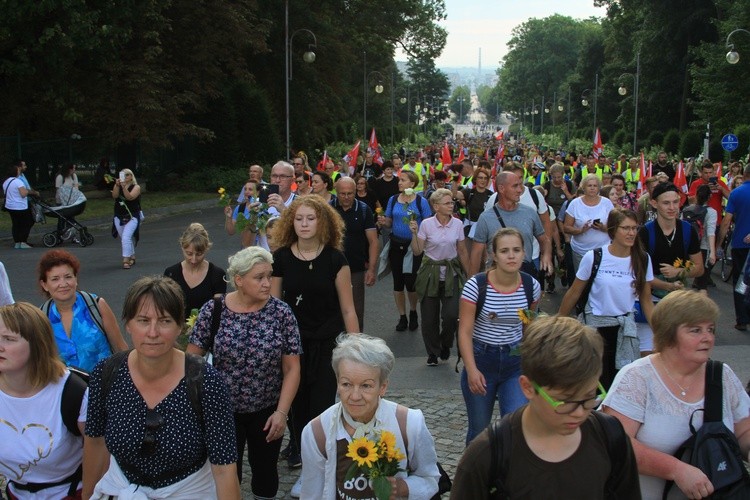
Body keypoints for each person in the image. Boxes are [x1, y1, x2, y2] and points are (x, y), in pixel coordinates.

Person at [83, 276, 240, 499]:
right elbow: (95, 442)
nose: (153, 332)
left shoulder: (207, 381)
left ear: (179, 326)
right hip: (122, 488)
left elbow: (224, 468)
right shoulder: (107, 373)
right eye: (143, 320)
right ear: (128, 324)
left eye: (165, 321)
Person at [451, 315, 641, 499]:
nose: (579, 412)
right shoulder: (487, 456)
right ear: (527, 387)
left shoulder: (610, 437)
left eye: (590, 396)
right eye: (565, 401)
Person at [602, 290, 750, 499]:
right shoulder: (637, 377)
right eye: (695, 330)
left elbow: (744, 430)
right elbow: (616, 444)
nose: (707, 338)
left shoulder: (721, 375)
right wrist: (675, 469)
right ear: (668, 333)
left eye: (711, 329)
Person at [187, 247, 301, 498]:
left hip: (267, 408)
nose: (267, 283)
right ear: (239, 280)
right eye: (259, 277)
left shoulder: (281, 313)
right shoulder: (214, 309)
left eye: (269, 276)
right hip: (222, 411)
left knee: (266, 472)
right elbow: (191, 362)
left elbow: (292, 368)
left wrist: (281, 413)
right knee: (227, 474)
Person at [270, 196, 359, 479]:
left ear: (322, 222)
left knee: (321, 402)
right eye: (298, 219)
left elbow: (348, 308)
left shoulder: (335, 259)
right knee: (295, 401)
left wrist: (356, 348)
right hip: (292, 344)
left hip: (327, 341)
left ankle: (319, 454)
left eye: (310, 218)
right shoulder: (281, 258)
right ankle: (297, 445)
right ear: (290, 223)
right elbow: (275, 306)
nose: (304, 224)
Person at [299, 334, 440, 499]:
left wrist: (403, 487)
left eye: (366, 385)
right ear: (337, 382)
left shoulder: (410, 424)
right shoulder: (316, 432)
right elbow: (311, 494)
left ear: (383, 387)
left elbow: (431, 479)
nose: (355, 396)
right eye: (346, 384)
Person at [459, 228, 542, 445]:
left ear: (525, 253)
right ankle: (476, 476)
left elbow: (528, 328)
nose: (511, 256)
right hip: (481, 359)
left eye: (516, 250)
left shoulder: (530, 286)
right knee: (478, 429)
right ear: (493, 255)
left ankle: (508, 475)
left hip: (514, 363)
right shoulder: (476, 286)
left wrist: (532, 367)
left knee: (515, 426)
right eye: (504, 251)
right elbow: (465, 332)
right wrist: (471, 370)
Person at [558, 209, 655, 389]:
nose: (631, 233)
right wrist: (558, 324)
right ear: (612, 230)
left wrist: (661, 331)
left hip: (624, 330)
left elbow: (646, 300)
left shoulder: (642, 259)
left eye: (634, 228)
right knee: (594, 384)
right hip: (596, 329)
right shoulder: (594, 257)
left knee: (621, 385)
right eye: (625, 228)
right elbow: (574, 292)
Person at [0, 302, 88, 499]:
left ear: (37, 344)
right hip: (16, 493)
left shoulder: (73, 393)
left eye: (8, 339)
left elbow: (100, 454)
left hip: (71, 493)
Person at [37, 249, 128, 373]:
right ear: (45, 285)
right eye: (55, 279)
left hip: (104, 385)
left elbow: (120, 348)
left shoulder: (96, 305)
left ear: (76, 279)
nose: (63, 284)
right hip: (65, 389)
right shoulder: (41, 317)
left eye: (68, 277)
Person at [412, 188, 469, 366]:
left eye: (452, 202)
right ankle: (433, 352)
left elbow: (462, 251)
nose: (451, 205)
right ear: (436, 206)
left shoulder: (458, 224)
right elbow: (417, 251)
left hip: (452, 273)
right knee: (429, 318)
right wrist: (413, 233)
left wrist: (471, 277)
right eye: (447, 203)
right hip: (430, 273)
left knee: (452, 315)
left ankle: (445, 344)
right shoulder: (426, 224)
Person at [377, 170, 433, 332]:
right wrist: (383, 221)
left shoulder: (421, 201)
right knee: (398, 282)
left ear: (412, 184)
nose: (399, 182)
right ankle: (402, 316)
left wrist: (418, 232)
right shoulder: (393, 199)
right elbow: (389, 222)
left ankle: (413, 311)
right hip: (396, 244)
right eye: (399, 180)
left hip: (413, 246)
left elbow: (428, 223)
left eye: (403, 180)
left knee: (411, 282)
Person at [469, 171, 552, 277]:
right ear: (502, 188)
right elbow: (476, 254)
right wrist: (472, 285)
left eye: (520, 185)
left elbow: (545, 241)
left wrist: (546, 256)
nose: (520, 190)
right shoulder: (486, 218)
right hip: (496, 278)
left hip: (524, 275)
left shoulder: (529, 213)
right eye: (515, 186)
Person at [332, 177, 378, 332]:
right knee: (333, 310)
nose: (346, 197)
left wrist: (371, 269)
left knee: (356, 311)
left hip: (355, 269)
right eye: (342, 193)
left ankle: (356, 347)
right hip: (331, 268)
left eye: (350, 194)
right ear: (336, 192)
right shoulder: (328, 209)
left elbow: (373, 241)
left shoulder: (364, 210)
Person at [164, 223, 227, 312]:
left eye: (199, 254)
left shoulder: (217, 274)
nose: (193, 260)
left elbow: (218, 310)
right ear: (182, 247)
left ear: (206, 249)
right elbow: (165, 307)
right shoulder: (171, 273)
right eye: (189, 254)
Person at [718, 162, 750, 331]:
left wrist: (719, 244)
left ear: (744, 175)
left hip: (740, 244)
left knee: (740, 282)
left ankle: (742, 319)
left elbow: (726, 221)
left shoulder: (736, 193)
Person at [563, 173, 615, 271]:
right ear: (583, 187)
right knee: (583, 281)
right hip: (581, 251)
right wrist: (581, 230)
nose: (592, 188)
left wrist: (602, 227)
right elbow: (566, 227)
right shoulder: (575, 204)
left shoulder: (607, 203)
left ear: (599, 187)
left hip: (603, 250)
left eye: (595, 186)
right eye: (589, 185)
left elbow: (614, 226)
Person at [685, 185, 717, 293]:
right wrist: (712, 252)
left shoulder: (687, 210)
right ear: (710, 197)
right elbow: (710, 233)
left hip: (688, 247)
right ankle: (702, 305)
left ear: (696, 195)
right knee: (703, 283)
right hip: (704, 248)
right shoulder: (711, 212)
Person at [111, 168, 142, 269]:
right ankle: (132, 256)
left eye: (127, 175)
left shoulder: (136, 187)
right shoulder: (118, 186)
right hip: (119, 215)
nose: (125, 177)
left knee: (126, 237)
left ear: (131, 176)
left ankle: (126, 260)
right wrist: (116, 185)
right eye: (123, 175)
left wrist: (124, 188)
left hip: (132, 215)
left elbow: (130, 197)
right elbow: (114, 196)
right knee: (124, 238)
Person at [3, 162, 35, 249]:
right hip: (20, 206)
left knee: (16, 224)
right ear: (15, 172)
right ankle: (23, 241)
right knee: (26, 223)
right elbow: (23, 194)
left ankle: (17, 242)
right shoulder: (18, 182)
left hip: (10, 206)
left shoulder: (6, 182)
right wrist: (28, 191)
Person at [687, 160, 729, 226]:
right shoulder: (696, 183)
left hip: (716, 221)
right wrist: (705, 190)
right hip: (700, 220)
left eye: (710, 172)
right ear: (702, 173)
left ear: (713, 172)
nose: (708, 175)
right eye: (706, 173)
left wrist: (722, 189)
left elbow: (730, 197)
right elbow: (691, 202)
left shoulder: (720, 183)